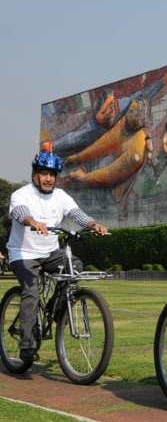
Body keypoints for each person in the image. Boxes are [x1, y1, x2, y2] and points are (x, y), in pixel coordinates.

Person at [7, 150, 110, 363]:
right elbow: (19, 212)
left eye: (53, 174)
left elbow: (76, 214)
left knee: (76, 265)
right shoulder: (21, 194)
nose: (49, 178)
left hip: (51, 253)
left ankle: (57, 309)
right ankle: (27, 345)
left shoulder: (61, 196)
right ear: (35, 174)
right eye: (44, 173)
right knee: (31, 292)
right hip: (23, 254)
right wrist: (31, 221)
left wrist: (93, 224)